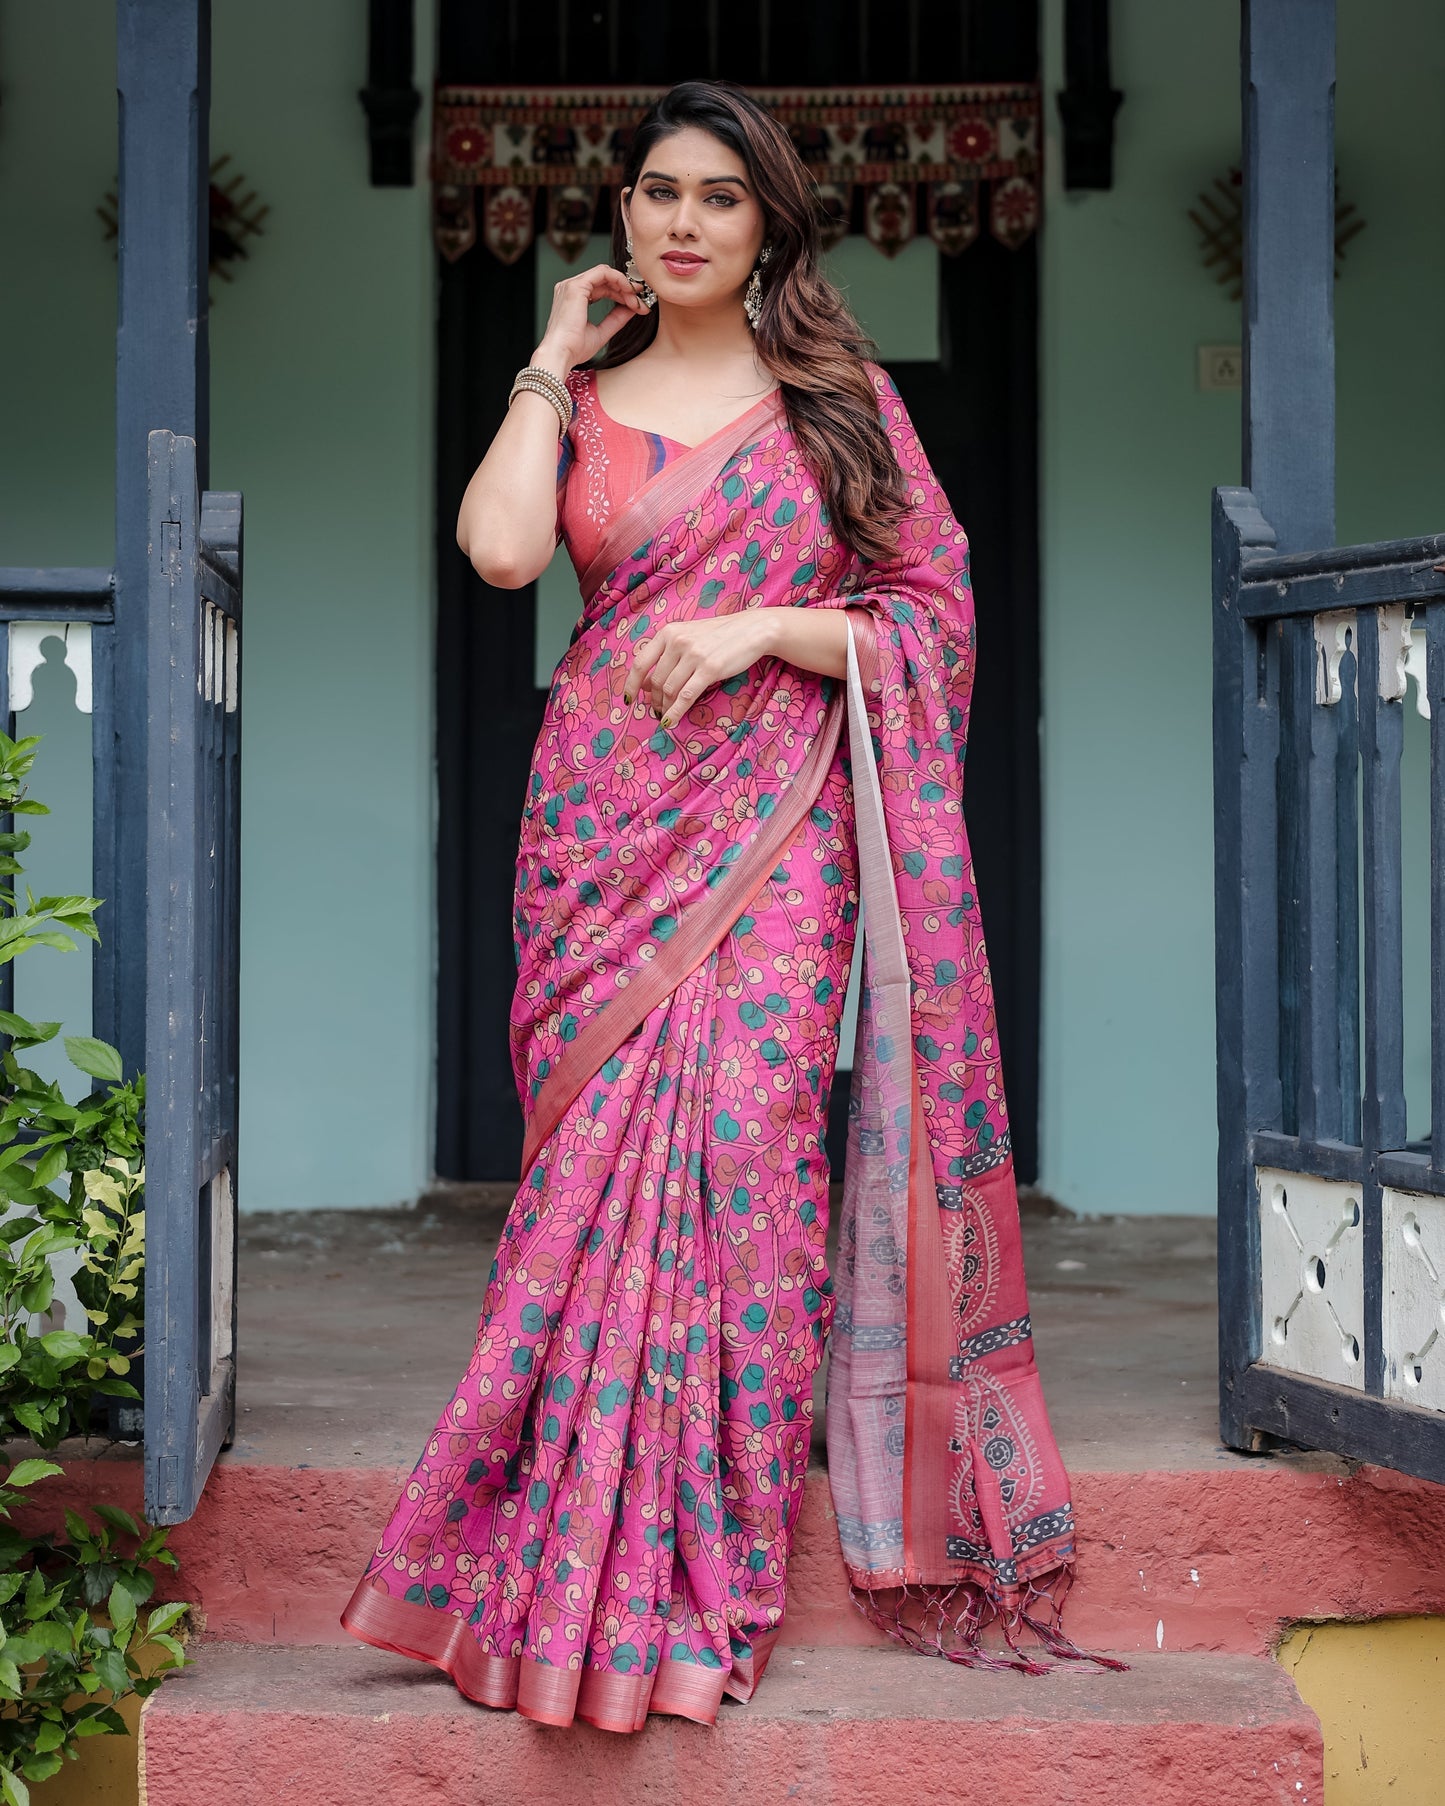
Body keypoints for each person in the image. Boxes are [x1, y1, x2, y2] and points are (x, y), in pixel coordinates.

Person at [342, 77, 1102, 1735]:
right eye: (655, 193)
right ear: (619, 217)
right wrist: (549, 356)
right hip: (597, 842)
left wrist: (768, 628)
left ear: (768, 224)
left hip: (777, 838)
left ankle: (704, 1570)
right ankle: (552, 1561)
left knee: (751, 1157)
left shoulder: (836, 402)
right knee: (584, 1196)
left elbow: (933, 614)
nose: (681, 221)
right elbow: (493, 551)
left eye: (717, 197)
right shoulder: (590, 399)